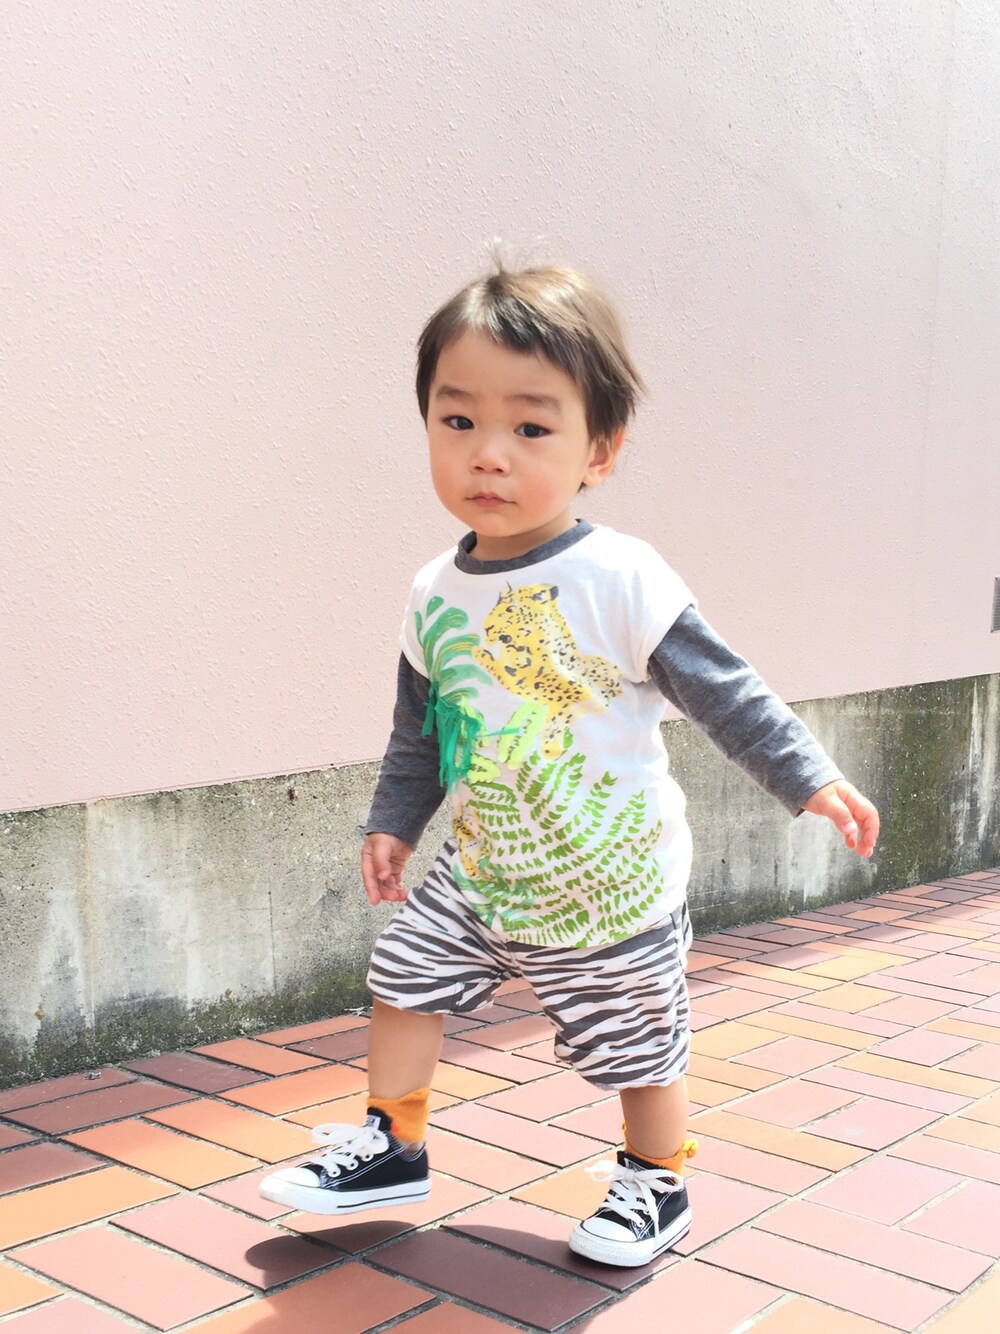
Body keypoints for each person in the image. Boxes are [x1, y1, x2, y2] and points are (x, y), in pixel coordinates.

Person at [259, 265, 880, 1267]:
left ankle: (656, 1179)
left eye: (530, 427)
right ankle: (394, 1143)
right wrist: (394, 822)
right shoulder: (433, 590)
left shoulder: (619, 575)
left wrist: (806, 774)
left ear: (601, 448)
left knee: (639, 1045)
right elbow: (420, 727)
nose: (488, 452)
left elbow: (722, 689)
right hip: (485, 867)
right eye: (457, 420)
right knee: (405, 973)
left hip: (608, 882)